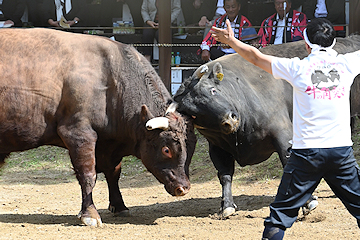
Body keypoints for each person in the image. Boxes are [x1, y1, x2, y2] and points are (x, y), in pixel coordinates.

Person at [210, 17, 360, 240]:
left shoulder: (297, 67)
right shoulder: (349, 63)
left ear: (306, 44)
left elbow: (255, 56)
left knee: (278, 219)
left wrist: (231, 41)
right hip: (341, 154)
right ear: (334, 42)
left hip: (306, 156)